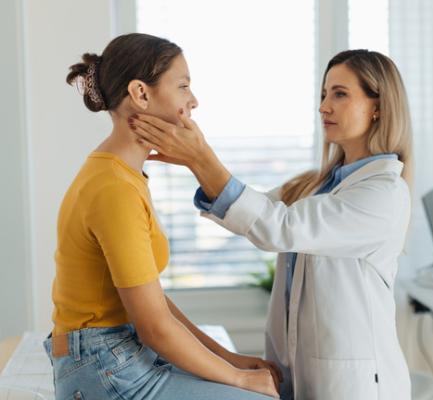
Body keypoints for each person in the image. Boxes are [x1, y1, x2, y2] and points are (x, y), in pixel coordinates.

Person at [131, 49, 413, 399]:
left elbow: (278, 227)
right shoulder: (318, 184)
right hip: (298, 372)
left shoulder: (384, 193)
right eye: (324, 95)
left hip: (356, 386)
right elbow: (256, 213)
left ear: (378, 107)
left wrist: (201, 157)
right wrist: (196, 164)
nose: (324, 106)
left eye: (340, 94)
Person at [45, 33, 281, 400]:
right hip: (104, 369)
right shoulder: (114, 188)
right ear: (141, 94)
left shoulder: (121, 175)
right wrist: (241, 381)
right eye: (183, 86)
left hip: (117, 358)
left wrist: (229, 360)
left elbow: (154, 307)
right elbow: (154, 328)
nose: (194, 101)